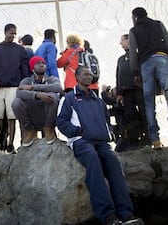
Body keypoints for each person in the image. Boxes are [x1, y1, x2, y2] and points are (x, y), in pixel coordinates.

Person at [56, 66, 143, 225]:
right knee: (93, 160)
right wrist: (78, 132)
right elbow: (61, 122)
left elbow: (106, 121)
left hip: (101, 142)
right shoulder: (69, 98)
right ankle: (108, 216)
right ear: (77, 76)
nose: (89, 77)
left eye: (91, 74)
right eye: (85, 74)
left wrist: (108, 133)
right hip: (81, 142)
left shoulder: (98, 100)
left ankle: (126, 214)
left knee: (114, 163)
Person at [129, 7, 168, 149]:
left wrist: (135, 72)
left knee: (149, 102)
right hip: (162, 58)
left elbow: (133, 53)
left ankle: (155, 140)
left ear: (135, 17)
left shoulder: (133, 31)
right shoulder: (158, 24)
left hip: (145, 63)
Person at [0, 23, 30, 154]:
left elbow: (24, 68)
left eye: (14, 33)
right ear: (5, 32)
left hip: (14, 86)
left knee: (13, 117)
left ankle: (11, 144)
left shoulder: (20, 50)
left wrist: (23, 84)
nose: (13, 35)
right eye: (11, 33)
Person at [12, 56, 62, 147]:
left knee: (53, 97)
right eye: (38, 63)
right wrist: (37, 95)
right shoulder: (26, 80)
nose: (41, 64)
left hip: (48, 116)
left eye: (43, 63)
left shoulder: (52, 79)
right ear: (32, 67)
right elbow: (19, 93)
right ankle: (30, 131)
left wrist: (33, 88)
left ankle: (48, 128)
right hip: (32, 115)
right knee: (16, 102)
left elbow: (58, 87)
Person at [115, 34, 149, 150]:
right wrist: (119, 92)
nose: (121, 43)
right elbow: (118, 76)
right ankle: (134, 140)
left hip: (139, 89)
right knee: (130, 115)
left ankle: (147, 138)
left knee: (144, 112)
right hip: (126, 92)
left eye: (122, 40)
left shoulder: (139, 55)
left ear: (129, 40)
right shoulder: (121, 59)